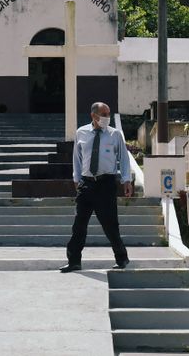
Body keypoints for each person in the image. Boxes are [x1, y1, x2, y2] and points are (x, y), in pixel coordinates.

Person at [59, 102, 132, 273]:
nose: (107, 117)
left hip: (106, 183)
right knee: (79, 224)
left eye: (108, 114)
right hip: (86, 183)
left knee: (110, 224)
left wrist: (126, 180)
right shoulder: (81, 133)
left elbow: (124, 158)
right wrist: (76, 179)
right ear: (94, 115)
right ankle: (74, 261)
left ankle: (121, 258)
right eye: (104, 114)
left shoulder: (115, 134)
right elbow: (77, 158)